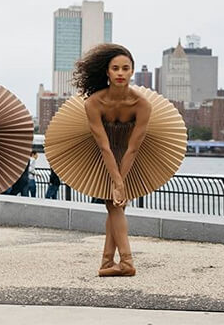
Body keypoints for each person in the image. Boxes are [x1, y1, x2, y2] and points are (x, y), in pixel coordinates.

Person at [72, 43, 151, 277]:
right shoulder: (94, 103)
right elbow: (103, 145)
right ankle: (107, 261)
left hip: (131, 154)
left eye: (125, 68)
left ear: (132, 71)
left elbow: (133, 148)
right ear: (107, 71)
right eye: (115, 68)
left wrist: (121, 182)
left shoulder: (142, 104)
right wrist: (117, 183)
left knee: (115, 204)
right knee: (113, 203)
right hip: (102, 152)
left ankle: (126, 262)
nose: (120, 73)